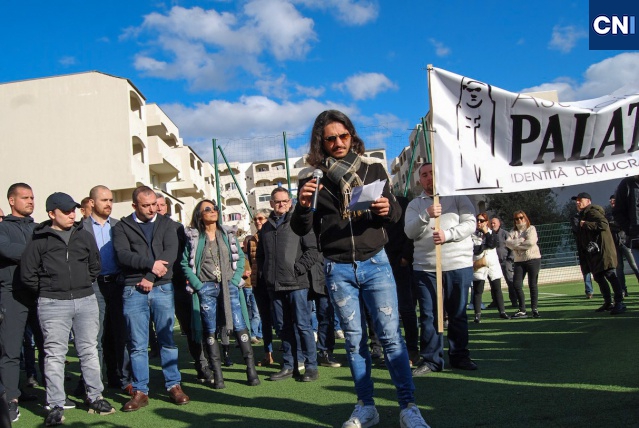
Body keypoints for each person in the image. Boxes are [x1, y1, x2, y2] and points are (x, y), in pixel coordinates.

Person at [291, 110, 429, 428]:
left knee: (391, 338)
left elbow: (394, 215)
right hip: (337, 268)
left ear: (352, 136)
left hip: (376, 262)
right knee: (354, 341)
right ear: (321, 142)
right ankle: (366, 406)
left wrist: (386, 208)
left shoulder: (372, 168)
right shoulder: (312, 178)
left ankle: (408, 407)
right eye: (331, 138)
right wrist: (302, 205)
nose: (338, 143)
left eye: (344, 136)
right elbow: (301, 228)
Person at [21, 192, 115, 425]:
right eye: (65, 211)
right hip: (52, 303)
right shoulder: (39, 240)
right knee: (55, 354)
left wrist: (82, 285)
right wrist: (50, 290)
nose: (72, 214)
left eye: (73, 210)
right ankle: (55, 404)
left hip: (86, 300)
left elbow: (94, 265)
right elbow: (28, 274)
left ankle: (95, 397)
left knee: (89, 350)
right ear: (52, 214)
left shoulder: (84, 236)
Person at [112, 186, 189, 411]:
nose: (151, 209)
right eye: (145, 205)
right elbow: (123, 255)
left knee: (167, 340)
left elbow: (170, 253)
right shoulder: (122, 227)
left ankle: (173, 385)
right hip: (133, 290)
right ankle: (140, 391)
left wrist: (149, 277)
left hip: (161, 288)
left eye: (154, 204)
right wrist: (149, 266)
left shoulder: (166, 224)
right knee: (137, 344)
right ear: (134, 205)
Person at [405, 163, 477, 376]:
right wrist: (426, 215)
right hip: (425, 268)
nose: (429, 178)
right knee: (429, 315)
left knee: (458, 313)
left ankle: (460, 357)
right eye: (424, 175)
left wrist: (448, 235)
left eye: (432, 173)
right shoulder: (415, 205)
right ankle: (431, 360)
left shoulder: (458, 197)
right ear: (420, 180)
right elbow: (409, 232)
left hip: (458, 264)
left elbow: (470, 223)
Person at [181, 199, 260, 388]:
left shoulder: (227, 234)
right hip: (206, 287)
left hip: (229, 285)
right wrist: (198, 285)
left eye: (214, 208)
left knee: (239, 324)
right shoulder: (194, 238)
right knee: (209, 329)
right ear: (199, 215)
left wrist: (235, 279)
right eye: (207, 209)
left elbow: (240, 258)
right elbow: (185, 263)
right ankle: (218, 375)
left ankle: (251, 370)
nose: (213, 211)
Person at [258, 187, 320, 382]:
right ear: (271, 203)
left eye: (285, 201)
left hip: (297, 284)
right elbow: (261, 255)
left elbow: (313, 250)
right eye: (277, 201)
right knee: (282, 327)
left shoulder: (299, 221)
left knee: (303, 326)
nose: (281, 204)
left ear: (290, 202)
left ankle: (311, 367)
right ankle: (289, 365)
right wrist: (265, 275)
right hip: (274, 285)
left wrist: (298, 269)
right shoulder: (266, 228)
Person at [0, 183, 45, 422]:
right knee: (10, 350)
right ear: (11, 200)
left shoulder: (39, 228)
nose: (30, 201)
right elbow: (7, 250)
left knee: (48, 347)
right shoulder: (3, 228)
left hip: (41, 294)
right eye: (25, 197)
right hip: (12, 294)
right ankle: (10, 400)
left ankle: (54, 397)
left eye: (32, 197)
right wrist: (37, 253)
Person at [81, 185, 131, 395]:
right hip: (94, 285)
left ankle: (125, 379)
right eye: (104, 200)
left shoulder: (119, 226)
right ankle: (94, 384)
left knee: (121, 333)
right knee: (96, 336)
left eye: (111, 200)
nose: (109, 204)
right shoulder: (80, 229)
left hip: (118, 284)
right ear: (92, 203)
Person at [573, 192, 626, 315]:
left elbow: (603, 224)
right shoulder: (584, 214)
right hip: (596, 252)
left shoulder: (592, 211)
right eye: (577, 200)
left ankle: (619, 302)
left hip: (603, 251)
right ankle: (608, 302)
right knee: (598, 276)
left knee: (610, 274)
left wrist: (585, 224)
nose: (577, 202)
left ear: (588, 201)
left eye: (580, 200)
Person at [383, 195, 419, 365]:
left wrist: (406, 256)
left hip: (400, 262)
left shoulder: (402, 202)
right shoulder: (368, 203)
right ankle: (391, 350)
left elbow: (410, 232)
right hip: (380, 263)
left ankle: (412, 350)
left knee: (406, 307)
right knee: (385, 310)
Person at [471, 213, 510, 323]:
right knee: (478, 290)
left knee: (497, 288)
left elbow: (493, 244)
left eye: (482, 220)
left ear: (486, 222)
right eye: (478, 220)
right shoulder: (472, 234)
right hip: (479, 264)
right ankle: (477, 315)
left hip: (492, 264)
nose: (479, 222)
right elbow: (475, 249)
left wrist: (486, 233)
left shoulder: (491, 233)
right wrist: (485, 246)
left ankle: (502, 312)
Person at [245, 209, 272, 365]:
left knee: (280, 320)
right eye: (255, 219)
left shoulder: (274, 235)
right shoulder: (251, 240)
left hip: (274, 283)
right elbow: (252, 261)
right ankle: (268, 354)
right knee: (265, 319)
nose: (257, 221)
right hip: (258, 284)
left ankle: (288, 353)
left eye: (261, 218)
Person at [505, 210, 542, 319]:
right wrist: (521, 240)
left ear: (525, 218)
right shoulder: (513, 231)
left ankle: (534, 309)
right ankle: (522, 310)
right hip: (519, 261)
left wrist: (516, 246)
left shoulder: (531, 229)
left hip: (533, 259)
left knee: (532, 284)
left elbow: (530, 242)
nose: (519, 220)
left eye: (521, 217)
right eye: (516, 218)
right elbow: (508, 243)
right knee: (516, 284)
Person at [609, 194, 639, 296]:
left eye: (614, 200)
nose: (612, 202)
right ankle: (623, 290)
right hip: (615, 244)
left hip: (626, 242)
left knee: (634, 265)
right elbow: (608, 225)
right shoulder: (609, 214)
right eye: (611, 201)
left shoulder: (624, 213)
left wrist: (614, 224)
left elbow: (622, 225)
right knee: (619, 268)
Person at [490, 217, 517, 306]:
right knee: (493, 282)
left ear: (499, 224)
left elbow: (511, 246)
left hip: (505, 261)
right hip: (493, 263)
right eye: (491, 223)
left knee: (510, 281)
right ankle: (495, 301)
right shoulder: (489, 234)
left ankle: (514, 301)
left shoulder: (505, 233)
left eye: (494, 223)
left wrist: (510, 258)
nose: (492, 225)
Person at [570, 207, 595, 299]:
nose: (578, 204)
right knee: (585, 269)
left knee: (599, 269)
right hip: (582, 247)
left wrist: (585, 224)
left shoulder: (593, 215)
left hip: (594, 246)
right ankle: (589, 291)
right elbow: (577, 229)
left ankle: (607, 292)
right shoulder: (575, 217)